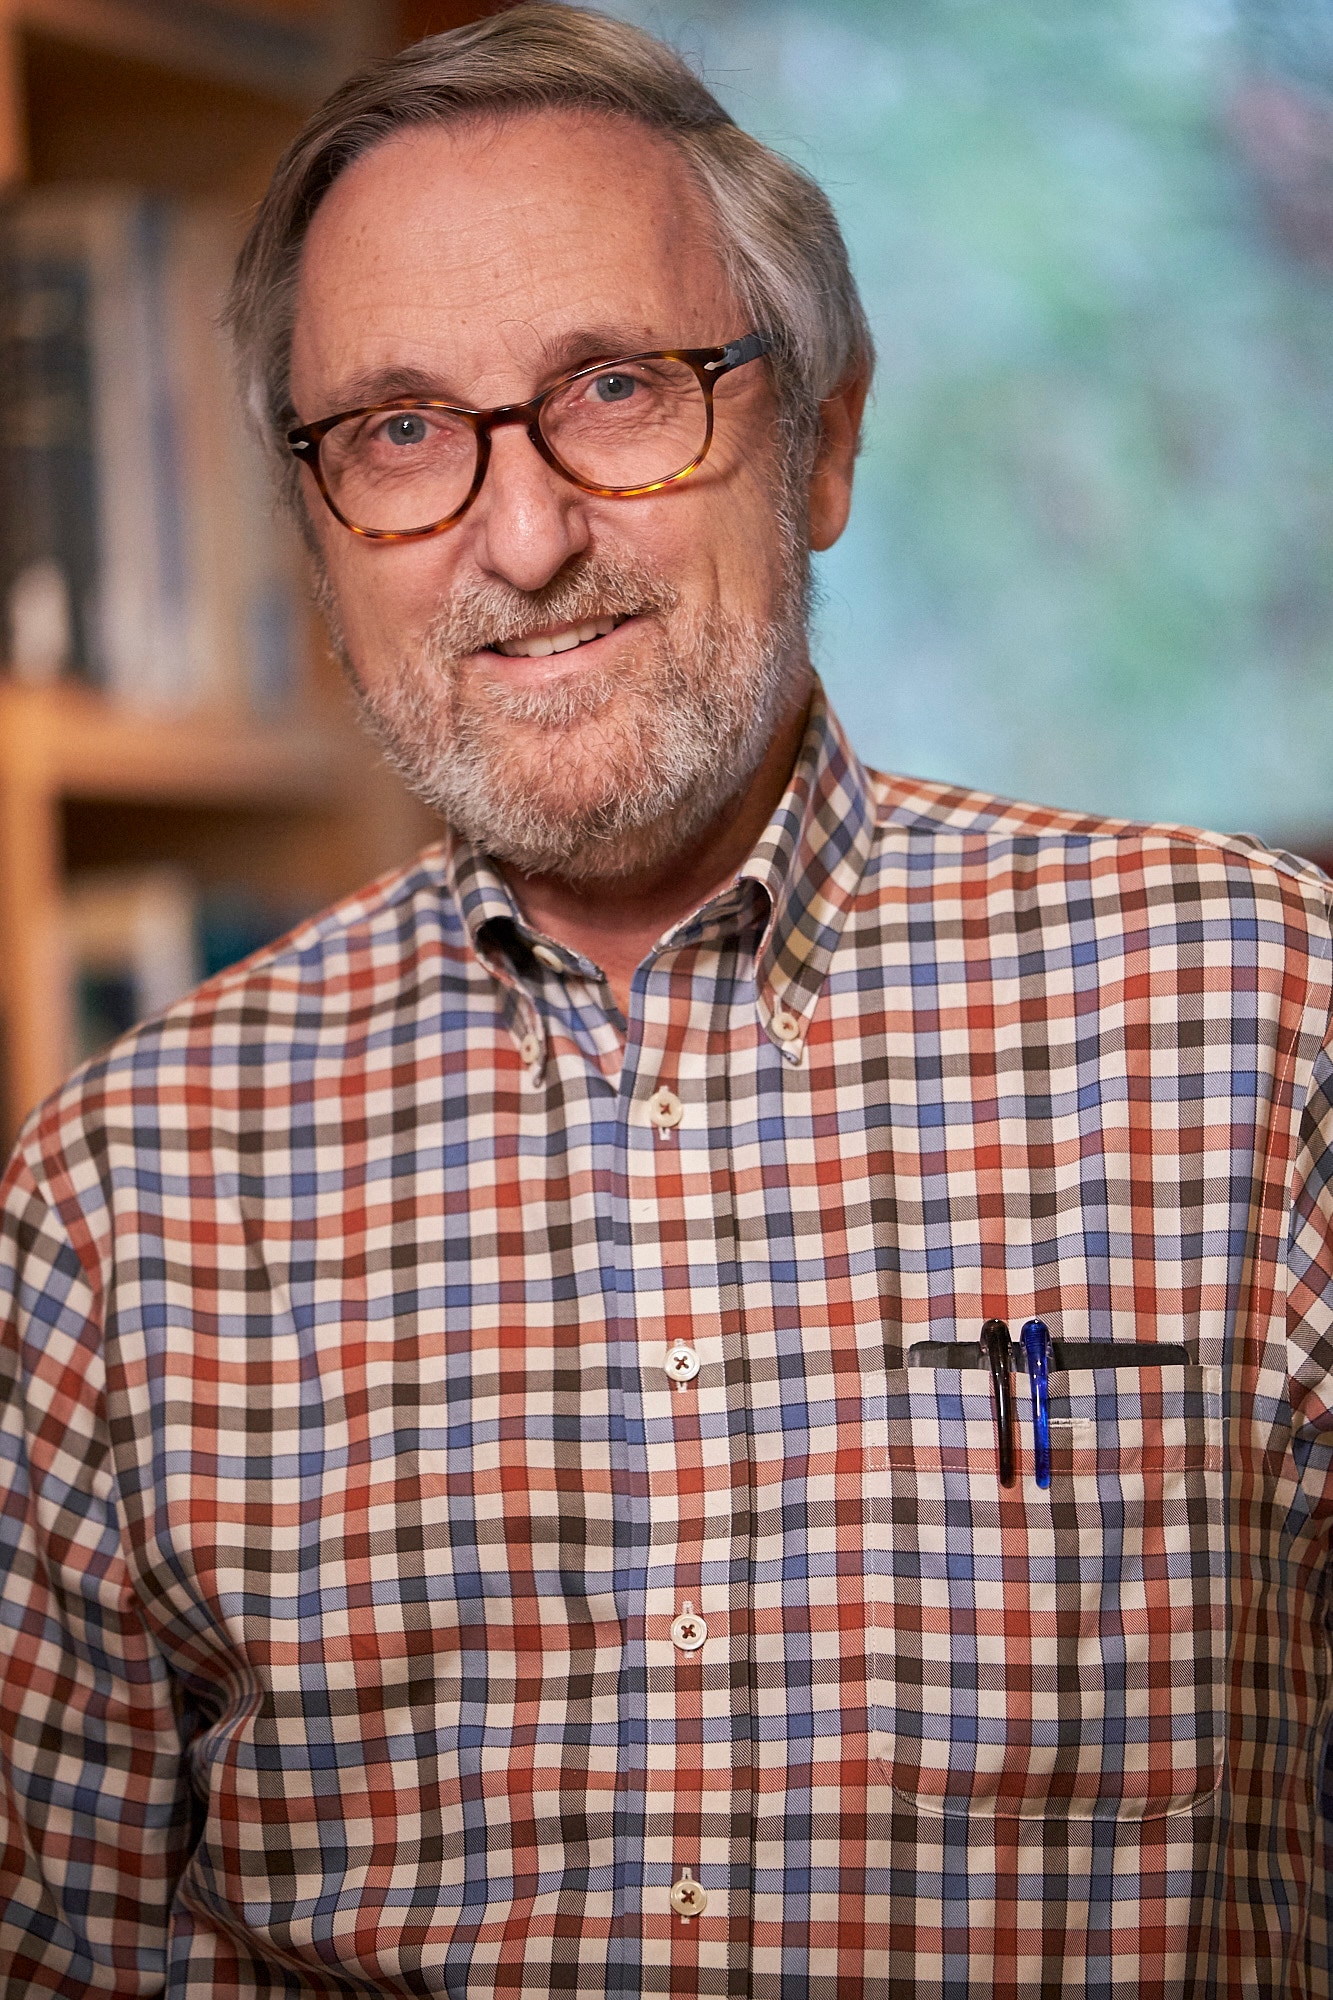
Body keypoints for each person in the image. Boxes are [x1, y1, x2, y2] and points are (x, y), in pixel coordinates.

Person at [0, 5, 1330, 1994]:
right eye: (397, 433)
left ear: (826, 441)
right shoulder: (122, 1194)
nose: (520, 538)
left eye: (618, 388)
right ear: (314, 531)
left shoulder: (1262, 1023)